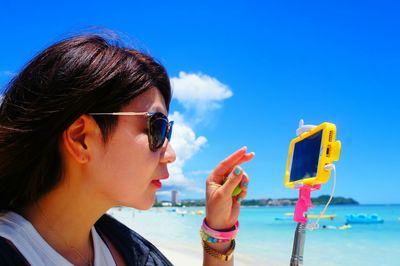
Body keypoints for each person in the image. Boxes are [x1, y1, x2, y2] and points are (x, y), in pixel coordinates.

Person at [0, 34, 254, 265]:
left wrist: (218, 230)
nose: (171, 154)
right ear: (81, 138)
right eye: (157, 128)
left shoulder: (127, 250)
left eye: (168, 132)